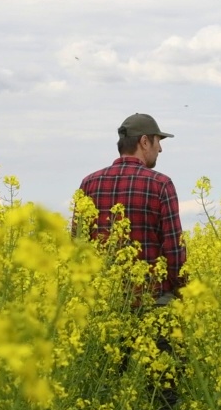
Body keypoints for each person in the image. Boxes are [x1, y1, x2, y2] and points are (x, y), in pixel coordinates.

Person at [76, 113, 187, 301]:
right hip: (152, 301)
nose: (160, 149)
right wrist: (184, 292)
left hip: (102, 303)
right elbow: (174, 249)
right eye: (158, 141)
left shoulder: (89, 183)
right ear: (144, 142)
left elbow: (78, 244)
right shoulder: (160, 184)